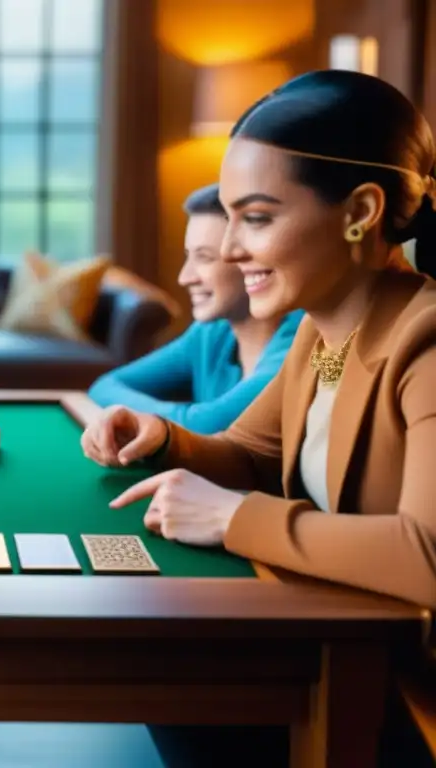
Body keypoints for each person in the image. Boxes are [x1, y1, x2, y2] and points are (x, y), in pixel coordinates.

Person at [83, 69, 436, 768]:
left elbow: (428, 557)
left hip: (404, 699)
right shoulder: (322, 331)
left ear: (360, 210)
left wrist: (233, 516)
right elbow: (252, 453)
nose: (232, 247)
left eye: (257, 217)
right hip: (336, 653)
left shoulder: (424, 341)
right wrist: (167, 440)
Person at [88, 183, 303, 433]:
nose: (185, 277)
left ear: (252, 258)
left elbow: (205, 426)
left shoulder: (304, 339)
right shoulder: (210, 332)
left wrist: (138, 417)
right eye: (188, 256)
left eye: (204, 257)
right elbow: (104, 387)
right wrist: (174, 418)